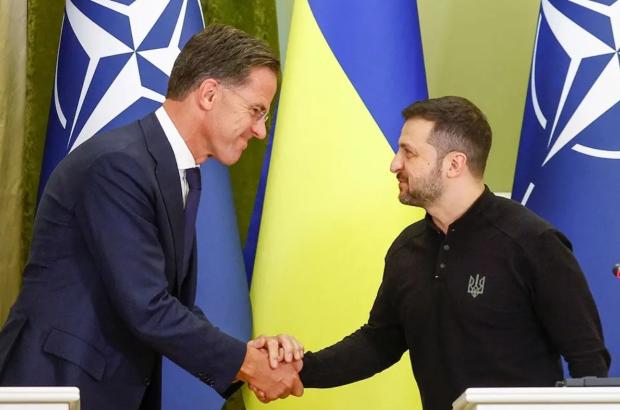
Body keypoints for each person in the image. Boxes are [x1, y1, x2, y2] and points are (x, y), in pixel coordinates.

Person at [0, 24, 303, 409]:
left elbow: (166, 301)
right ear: (209, 94)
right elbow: (147, 307)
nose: (260, 131)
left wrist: (247, 358)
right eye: (256, 111)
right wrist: (247, 363)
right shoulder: (119, 166)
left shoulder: (171, 171)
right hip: (56, 386)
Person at [259, 96, 611, 409]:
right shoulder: (407, 249)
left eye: (408, 152)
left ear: (454, 164)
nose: (394, 164)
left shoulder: (533, 242)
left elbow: (588, 359)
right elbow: (378, 343)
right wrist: (299, 369)